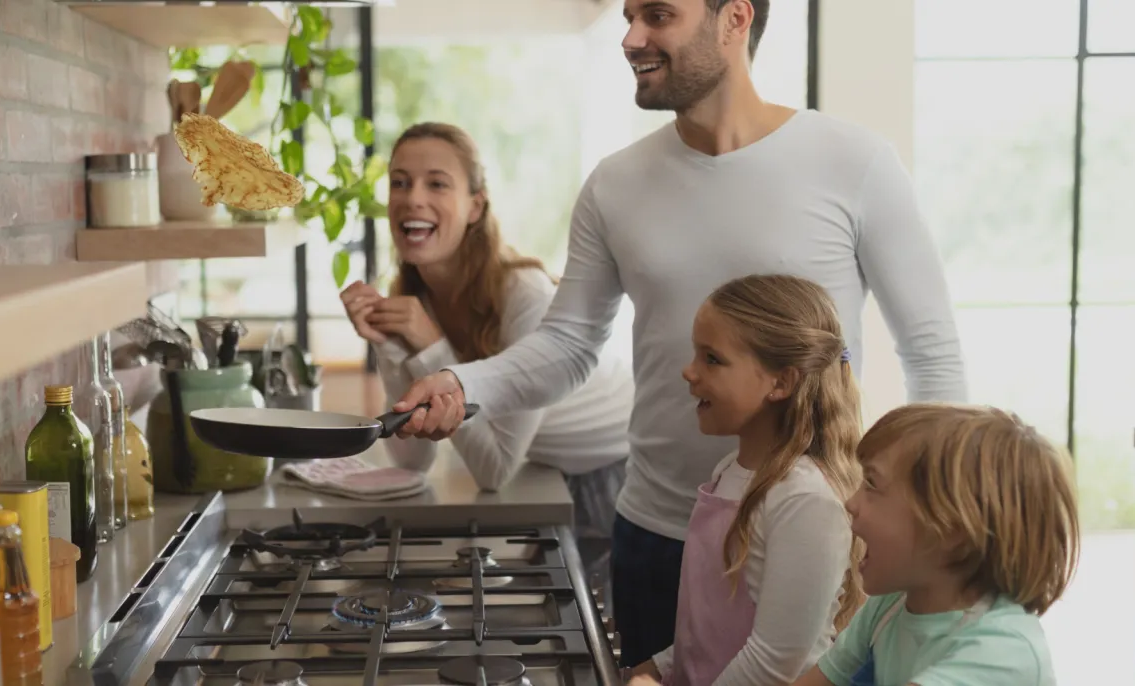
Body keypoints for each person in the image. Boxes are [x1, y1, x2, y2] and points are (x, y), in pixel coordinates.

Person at [384, 0, 967, 667]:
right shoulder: (615, 184)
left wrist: (933, 516)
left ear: (734, 19)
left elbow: (931, 352)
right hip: (659, 532)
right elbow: (570, 345)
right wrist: (462, 382)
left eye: (658, 15)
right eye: (631, 16)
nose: (631, 37)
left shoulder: (854, 162)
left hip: (814, 535)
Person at [340, 121, 635, 598]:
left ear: (475, 206)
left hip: (613, 476)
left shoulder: (524, 295)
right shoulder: (418, 297)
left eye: (436, 183)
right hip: (544, 469)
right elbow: (412, 459)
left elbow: (494, 469)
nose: (412, 198)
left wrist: (430, 345)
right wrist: (389, 343)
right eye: (399, 182)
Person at [624, 274, 865, 686]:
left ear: (781, 382)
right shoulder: (729, 470)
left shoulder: (804, 499)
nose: (689, 371)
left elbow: (774, 663)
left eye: (712, 359)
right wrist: (660, 668)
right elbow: (710, 626)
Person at [791, 404, 1079, 686]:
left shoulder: (1003, 650)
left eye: (872, 484)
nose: (850, 503)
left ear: (952, 531)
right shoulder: (890, 605)